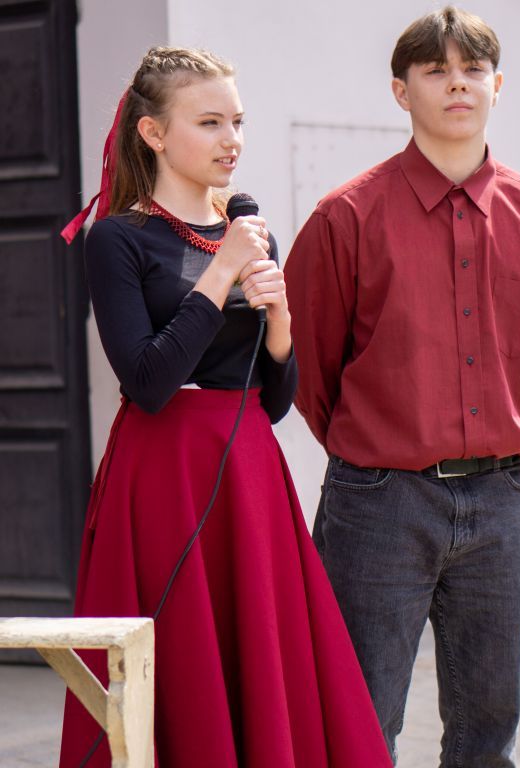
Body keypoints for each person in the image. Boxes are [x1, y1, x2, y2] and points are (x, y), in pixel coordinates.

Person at [59, 47, 391, 768]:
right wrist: (222, 273)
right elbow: (147, 380)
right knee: (182, 666)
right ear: (153, 133)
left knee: (260, 660)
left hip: (248, 467)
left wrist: (280, 323)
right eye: (209, 122)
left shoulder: (248, 232)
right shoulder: (117, 238)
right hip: (164, 472)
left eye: (237, 121)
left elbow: (274, 401)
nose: (231, 139)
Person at [284, 7, 520, 767]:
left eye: (473, 70)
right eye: (436, 71)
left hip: (500, 502)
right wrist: (384, 442)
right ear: (400, 91)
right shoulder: (345, 217)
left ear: (497, 86)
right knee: (358, 726)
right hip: (379, 503)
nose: (457, 85)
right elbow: (310, 367)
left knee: (488, 735)